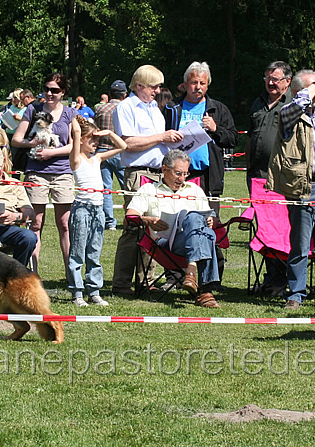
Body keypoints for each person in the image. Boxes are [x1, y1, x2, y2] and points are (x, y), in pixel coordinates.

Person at [266, 70, 315, 310]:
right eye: (314, 88)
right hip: (304, 188)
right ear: (300, 92)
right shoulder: (289, 114)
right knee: (300, 243)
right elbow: (298, 105)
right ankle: (296, 293)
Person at [111, 65, 184, 295]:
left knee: (153, 227)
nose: (157, 90)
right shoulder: (125, 107)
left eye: (159, 86)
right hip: (137, 172)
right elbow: (128, 143)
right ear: (139, 85)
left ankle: (146, 281)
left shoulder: (155, 107)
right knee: (134, 227)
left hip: (156, 173)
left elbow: (156, 141)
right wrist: (162, 136)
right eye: (154, 86)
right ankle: (121, 282)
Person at [126, 150, 221, 307]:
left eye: (186, 173)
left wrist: (211, 220)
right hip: (165, 244)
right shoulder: (149, 190)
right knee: (200, 227)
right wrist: (147, 220)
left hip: (191, 240)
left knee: (203, 227)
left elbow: (207, 216)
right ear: (164, 169)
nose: (182, 178)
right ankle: (205, 291)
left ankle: (192, 272)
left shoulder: (194, 190)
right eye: (178, 173)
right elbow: (129, 217)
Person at [11, 72, 75, 275]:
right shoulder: (32, 109)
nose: (49, 93)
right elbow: (16, 139)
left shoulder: (70, 114)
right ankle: (33, 274)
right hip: (36, 171)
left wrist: (51, 152)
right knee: (35, 223)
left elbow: (75, 145)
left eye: (55, 90)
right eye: (46, 89)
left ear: (63, 92)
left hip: (63, 172)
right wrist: (33, 144)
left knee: (64, 224)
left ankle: (70, 273)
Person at [162, 61, 238, 215]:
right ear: (185, 84)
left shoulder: (218, 109)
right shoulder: (172, 108)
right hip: (176, 174)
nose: (198, 87)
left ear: (208, 85)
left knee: (209, 221)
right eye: (193, 83)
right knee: (175, 218)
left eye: (202, 83)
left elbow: (232, 139)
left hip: (207, 176)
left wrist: (215, 129)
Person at [68, 116, 127, 306]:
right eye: (91, 139)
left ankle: (94, 291)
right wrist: (73, 117)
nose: (95, 143)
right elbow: (76, 132)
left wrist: (108, 133)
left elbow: (122, 146)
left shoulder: (98, 159)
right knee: (77, 252)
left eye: (96, 140)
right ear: (82, 140)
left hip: (98, 210)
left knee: (94, 251)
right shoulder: (76, 159)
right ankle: (77, 292)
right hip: (82, 210)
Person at [247, 61, 293, 188]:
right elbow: (250, 136)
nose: (270, 83)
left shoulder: (293, 104)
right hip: (256, 174)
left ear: (287, 81)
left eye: (275, 79)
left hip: (282, 175)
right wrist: (249, 165)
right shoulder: (258, 103)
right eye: (267, 78)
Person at [94, 80, 128, 230]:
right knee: (127, 188)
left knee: (105, 190)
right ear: (125, 95)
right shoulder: (126, 109)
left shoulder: (100, 109)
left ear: (109, 94)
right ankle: (131, 219)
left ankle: (110, 222)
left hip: (102, 152)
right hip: (120, 151)